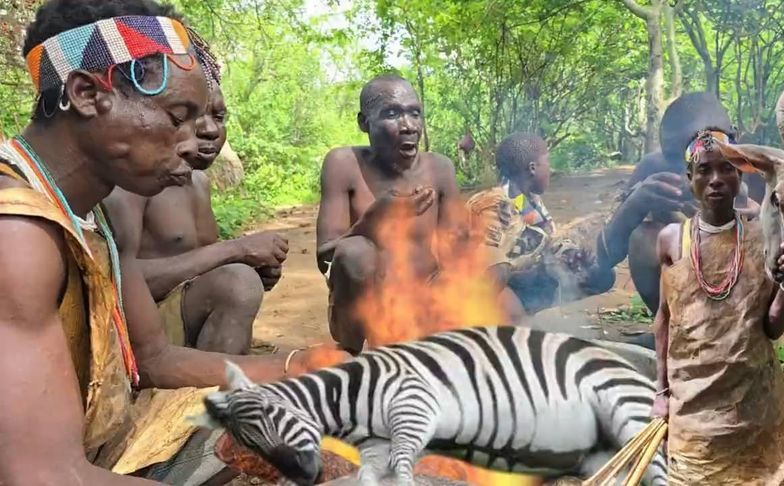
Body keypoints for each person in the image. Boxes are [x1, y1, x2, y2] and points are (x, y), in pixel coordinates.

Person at [0, 2, 347, 485]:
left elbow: (155, 359)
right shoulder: (17, 232)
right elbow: (44, 476)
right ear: (86, 94)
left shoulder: (93, 216)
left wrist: (298, 366)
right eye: (177, 116)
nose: (193, 142)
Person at [651, 130, 784, 484]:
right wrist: (660, 394)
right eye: (704, 170)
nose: (716, 179)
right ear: (690, 179)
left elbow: (772, 328)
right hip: (691, 415)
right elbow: (664, 319)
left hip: (753, 411)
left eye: (726, 169)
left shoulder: (762, 239)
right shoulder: (671, 239)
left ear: (741, 175)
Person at [103, 37, 287, 355]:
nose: (210, 130)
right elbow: (115, 281)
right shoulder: (133, 182)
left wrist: (252, 264)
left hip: (177, 323)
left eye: (219, 117)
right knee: (237, 282)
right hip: (135, 336)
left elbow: (201, 266)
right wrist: (236, 251)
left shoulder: (199, 182)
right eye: (192, 116)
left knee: (240, 278)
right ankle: (209, 385)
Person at [466, 132, 694, 324]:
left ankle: (521, 315)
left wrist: (568, 255)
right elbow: (487, 268)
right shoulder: (493, 204)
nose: (551, 169)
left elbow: (540, 244)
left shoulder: (529, 201)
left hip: (517, 280)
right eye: (548, 162)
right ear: (533, 168)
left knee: (597, 274)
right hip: (484, 292)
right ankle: (503, 323)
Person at [316, 73, 463, 355]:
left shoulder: (440, 169)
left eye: (415, 113)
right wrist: (374, 220)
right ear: (364, 122)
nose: (409, 126)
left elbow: (458, 251)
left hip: (424, 302)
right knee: (355, 253)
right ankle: (353, 353)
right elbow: (326, 257)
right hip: (364, 309)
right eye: (392, 114)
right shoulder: (344, 164)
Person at [626, 92, 761, 314]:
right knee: (641, 238)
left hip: (742, 278)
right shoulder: (654, 168)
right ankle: (673, 323)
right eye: (675, 157)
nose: (685, 165)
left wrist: (751, 214)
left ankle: (741, 323)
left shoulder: (756, 168)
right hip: (686, 267)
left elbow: (776, 237)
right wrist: (636, 202)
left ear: (733, 136)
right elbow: (609, 252)